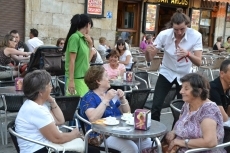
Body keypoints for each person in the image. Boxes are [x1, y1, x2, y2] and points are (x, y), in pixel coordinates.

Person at [79, 66, 152, 153]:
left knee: (147, 142)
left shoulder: (109, 94)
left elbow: (127, 113)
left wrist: (122, 99)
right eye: (106, 76)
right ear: (98, 81)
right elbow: (93, 118)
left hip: (119, 131)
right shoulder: (89, 98)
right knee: (131, 148)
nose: (109, 78)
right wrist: (106, 100)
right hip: (100, 136)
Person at [147, 8, 203, 121]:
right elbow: (150, 58)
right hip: (166, 71)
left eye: (182, 29)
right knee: (156, 105)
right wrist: (147, 52)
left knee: (182, 107)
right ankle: (153, 136)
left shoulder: (196, 35)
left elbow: (199, 62)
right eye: (176, 29)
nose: (179, 32)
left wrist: (188, 54)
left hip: (184, 75)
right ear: (171, 26)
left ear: (187, 25)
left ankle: (176, 133)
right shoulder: (164, 35)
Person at [15, 70, 82, 153]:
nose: (52, 88)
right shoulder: (36, 110)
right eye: (49, 85)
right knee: (91, 150)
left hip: (45, 146)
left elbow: (60, 121)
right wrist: (74, 134)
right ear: (41, 92)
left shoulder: (38, 104)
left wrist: (52, 101)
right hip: (38, 150)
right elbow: (57, 138)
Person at [165, 73, 225, 153]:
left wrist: (181, 142)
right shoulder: (187, 104)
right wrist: (173, 132)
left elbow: (210, 142)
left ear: (199, 91)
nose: (181, 91)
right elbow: (181, 124)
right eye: (182, 87)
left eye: (186, 89)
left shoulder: (209, 110)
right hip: (181, 149)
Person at [63, 14, 93, 97]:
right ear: (88, 24)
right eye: (90, 26)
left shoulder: (85, 39)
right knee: (75, 107)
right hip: (75, 79)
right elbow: (72, 61)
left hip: (83, 78)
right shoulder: (75, 37)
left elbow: (86, 60)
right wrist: (71, 81)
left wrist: (90, 44)